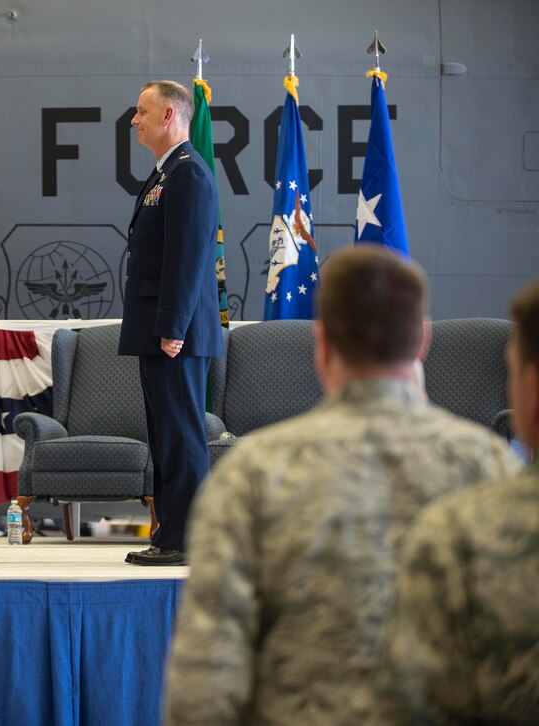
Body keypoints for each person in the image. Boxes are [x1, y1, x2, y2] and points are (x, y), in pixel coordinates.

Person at [163, 246, 521, 723]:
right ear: (422, 340)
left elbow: (205, 684)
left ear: (322, 341)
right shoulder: (488, 468)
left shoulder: (254, 474)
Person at [379, 278, 539, 723]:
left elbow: (415, 700)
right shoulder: (487, 472)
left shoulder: (459, 533)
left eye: (511, 371)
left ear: (531, 387)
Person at [120, 80, 223, 566]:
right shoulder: (167, 171)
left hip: (174, 332)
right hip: (160, 326)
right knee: (165, 436)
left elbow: (187, 257)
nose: (134, 120)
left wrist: (174, 326)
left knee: (180, 436)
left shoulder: (189, 173)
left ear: (168, 115)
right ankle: (169, 535)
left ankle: (188, 540)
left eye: (142, 111)